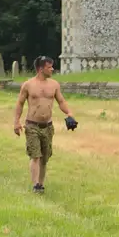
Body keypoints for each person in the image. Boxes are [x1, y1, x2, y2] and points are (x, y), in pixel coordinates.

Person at [13, 56, 77, 194]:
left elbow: (61, 101)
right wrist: (16, 121)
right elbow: (20, 103)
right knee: (35, 155)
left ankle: (41, 184)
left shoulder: (54, 85)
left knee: (44, 157)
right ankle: (36, 185)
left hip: (47, 126)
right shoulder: (28, 85)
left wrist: (69, 113)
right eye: (49, 67)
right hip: (32, 125)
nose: (52, 69)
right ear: (41, 69)